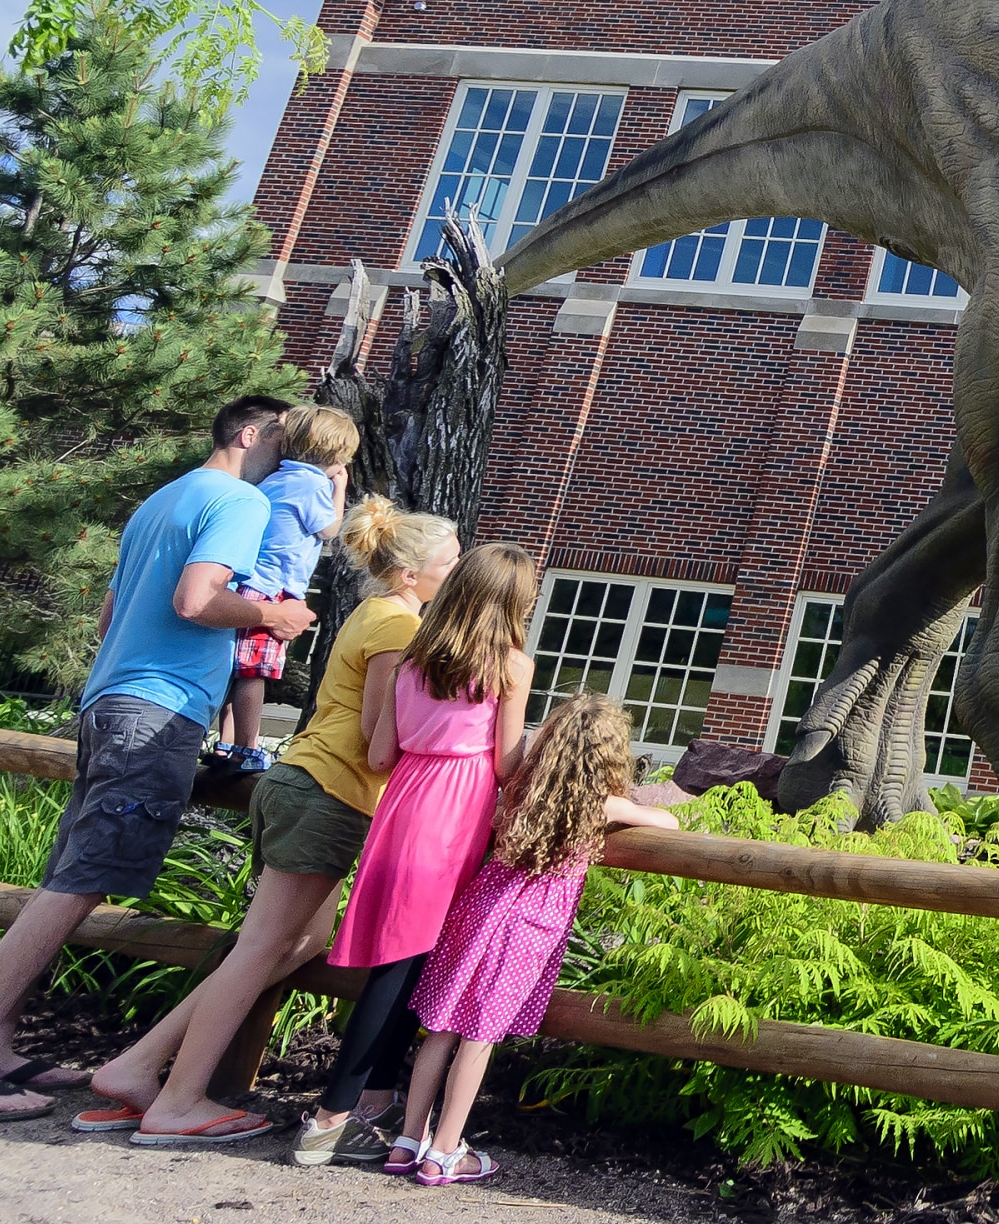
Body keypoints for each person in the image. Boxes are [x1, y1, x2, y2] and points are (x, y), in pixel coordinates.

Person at [0, 394, 312, 1125]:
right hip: (157, 711)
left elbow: (115, 611)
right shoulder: (240, 501)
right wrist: (272, 614)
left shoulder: (162, 499)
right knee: (79, 886)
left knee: (67, 875)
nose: (291, 454)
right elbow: (195, 599)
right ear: (251, 434)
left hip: (109, 698)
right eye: (283, 437)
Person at [73, 496, 461, 1151]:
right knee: (260, 950)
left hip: (307, 785)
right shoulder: (400, 628)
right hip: (330, 793)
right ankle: (176, 1101)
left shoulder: (377, 613)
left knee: (299, 943)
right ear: (408, 575)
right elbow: (376, 742)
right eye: (449, 564)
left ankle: (139, 1066)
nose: (457, 573)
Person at [311, 539, 537, 1171]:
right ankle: (330, 1117)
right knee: (405, 970)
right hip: (456, 813)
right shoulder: (509, 666)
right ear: (512, 604)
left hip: (403, 801)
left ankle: (374, 1102)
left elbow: (380, 753)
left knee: (400, 963)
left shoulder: (414, 657)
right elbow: (507, 763)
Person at [401, 695, 674, 1185]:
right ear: (611, 755)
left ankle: (408, 1140)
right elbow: (670, 822)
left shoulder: (523, 786)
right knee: (479, 1039)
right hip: (526, 928)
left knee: (442, 1028)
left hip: (478, 911)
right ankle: (444, 1152)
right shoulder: (600, 803)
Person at [210, 406, 358, 772]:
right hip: (272, 590)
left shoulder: (277, 477)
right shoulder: (313, 485)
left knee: (236, 669)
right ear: (336, 456)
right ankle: (247, 748)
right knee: (254, 673)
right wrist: (340, 488)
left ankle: (226, 744)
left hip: (246, 586)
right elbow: (328, 529)